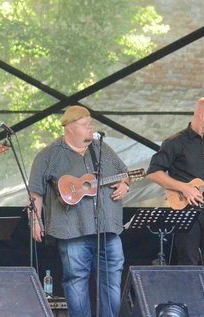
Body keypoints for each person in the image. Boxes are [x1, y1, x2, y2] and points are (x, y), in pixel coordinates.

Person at [28, 105, 130, 317]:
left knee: (112, 277)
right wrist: (35, 221)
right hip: (72, 230)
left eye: (90, 124)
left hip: (107, 228)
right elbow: (35, 193)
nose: (90, 128)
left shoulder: (102, 148)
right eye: (85, 125)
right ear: (70, 129)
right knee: (76, 280)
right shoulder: (49, 155)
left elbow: (125, 174)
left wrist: (125, 185)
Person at [145, 97, 204, 316]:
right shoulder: (175, 142)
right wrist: (184, 187)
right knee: (189, 263)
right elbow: (154, 172)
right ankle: (192, 310)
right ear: (201, 116)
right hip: (185, 211)